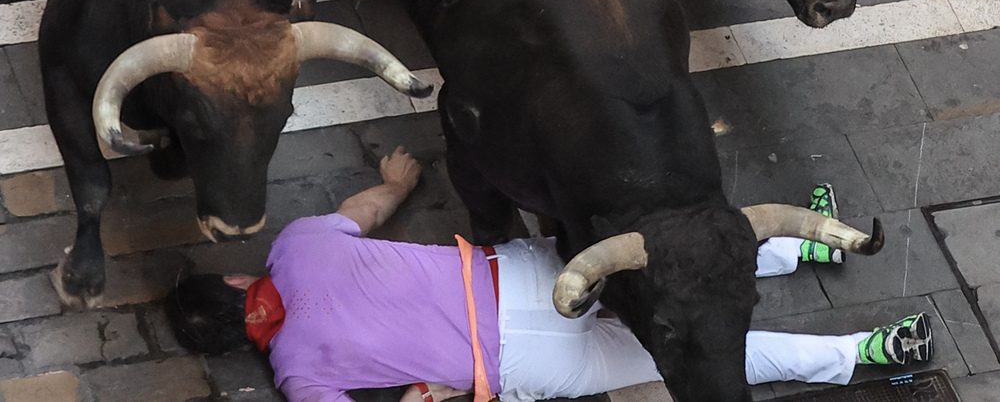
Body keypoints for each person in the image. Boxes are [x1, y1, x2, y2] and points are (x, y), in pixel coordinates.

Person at [165, 149, 934, 402]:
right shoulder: (296, 248)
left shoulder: (297, 376)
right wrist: (399, 181)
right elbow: (367, 208)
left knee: (705, 355)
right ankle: (807, 248)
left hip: (521, 362)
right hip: (519, 275)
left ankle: (869, 352)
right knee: (664, 264)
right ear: (234, 283)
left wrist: (419, 392)